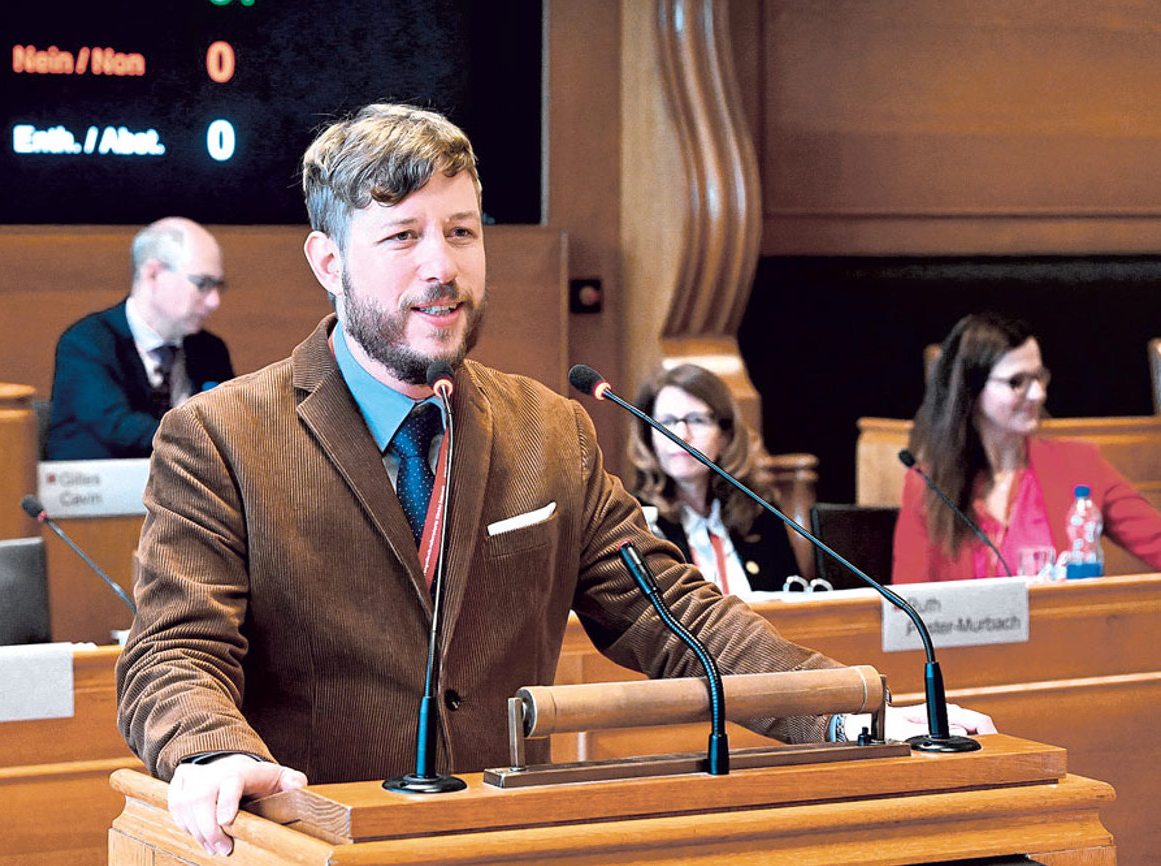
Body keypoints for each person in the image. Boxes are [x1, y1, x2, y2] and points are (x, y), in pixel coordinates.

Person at [115, 103, 993, 856]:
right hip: (322, 847)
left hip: (508, 847)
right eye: (402, 236)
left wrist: (850, 710)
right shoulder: (218, 437)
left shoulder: (550, 431)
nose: (441, 266)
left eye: (462, 231)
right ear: (329, 263)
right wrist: (210, 752)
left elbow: (676, 614)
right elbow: (173, 652)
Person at [893, 311, 1161, 582]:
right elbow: (905, 604)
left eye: (1039, 377)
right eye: (1017, 382)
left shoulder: (1080, 463)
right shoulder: (927, 485)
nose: (1038, 394)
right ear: (972, 391)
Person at [44, 217, 234, 460]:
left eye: (218, 286)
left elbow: (229, 426)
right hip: (96, 491)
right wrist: (205, 439)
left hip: (184, 494)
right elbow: (119, 429)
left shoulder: (210, 350)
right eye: (203, 284)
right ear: (153, 274)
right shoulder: (86, 343)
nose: (214, 301)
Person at [629, 363, 801, 595]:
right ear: (648, 436)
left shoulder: (758, 512)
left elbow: (798, 604)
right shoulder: (635, 521)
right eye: (666, 422)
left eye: (697, 420)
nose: (681, 435)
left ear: (726, 434)